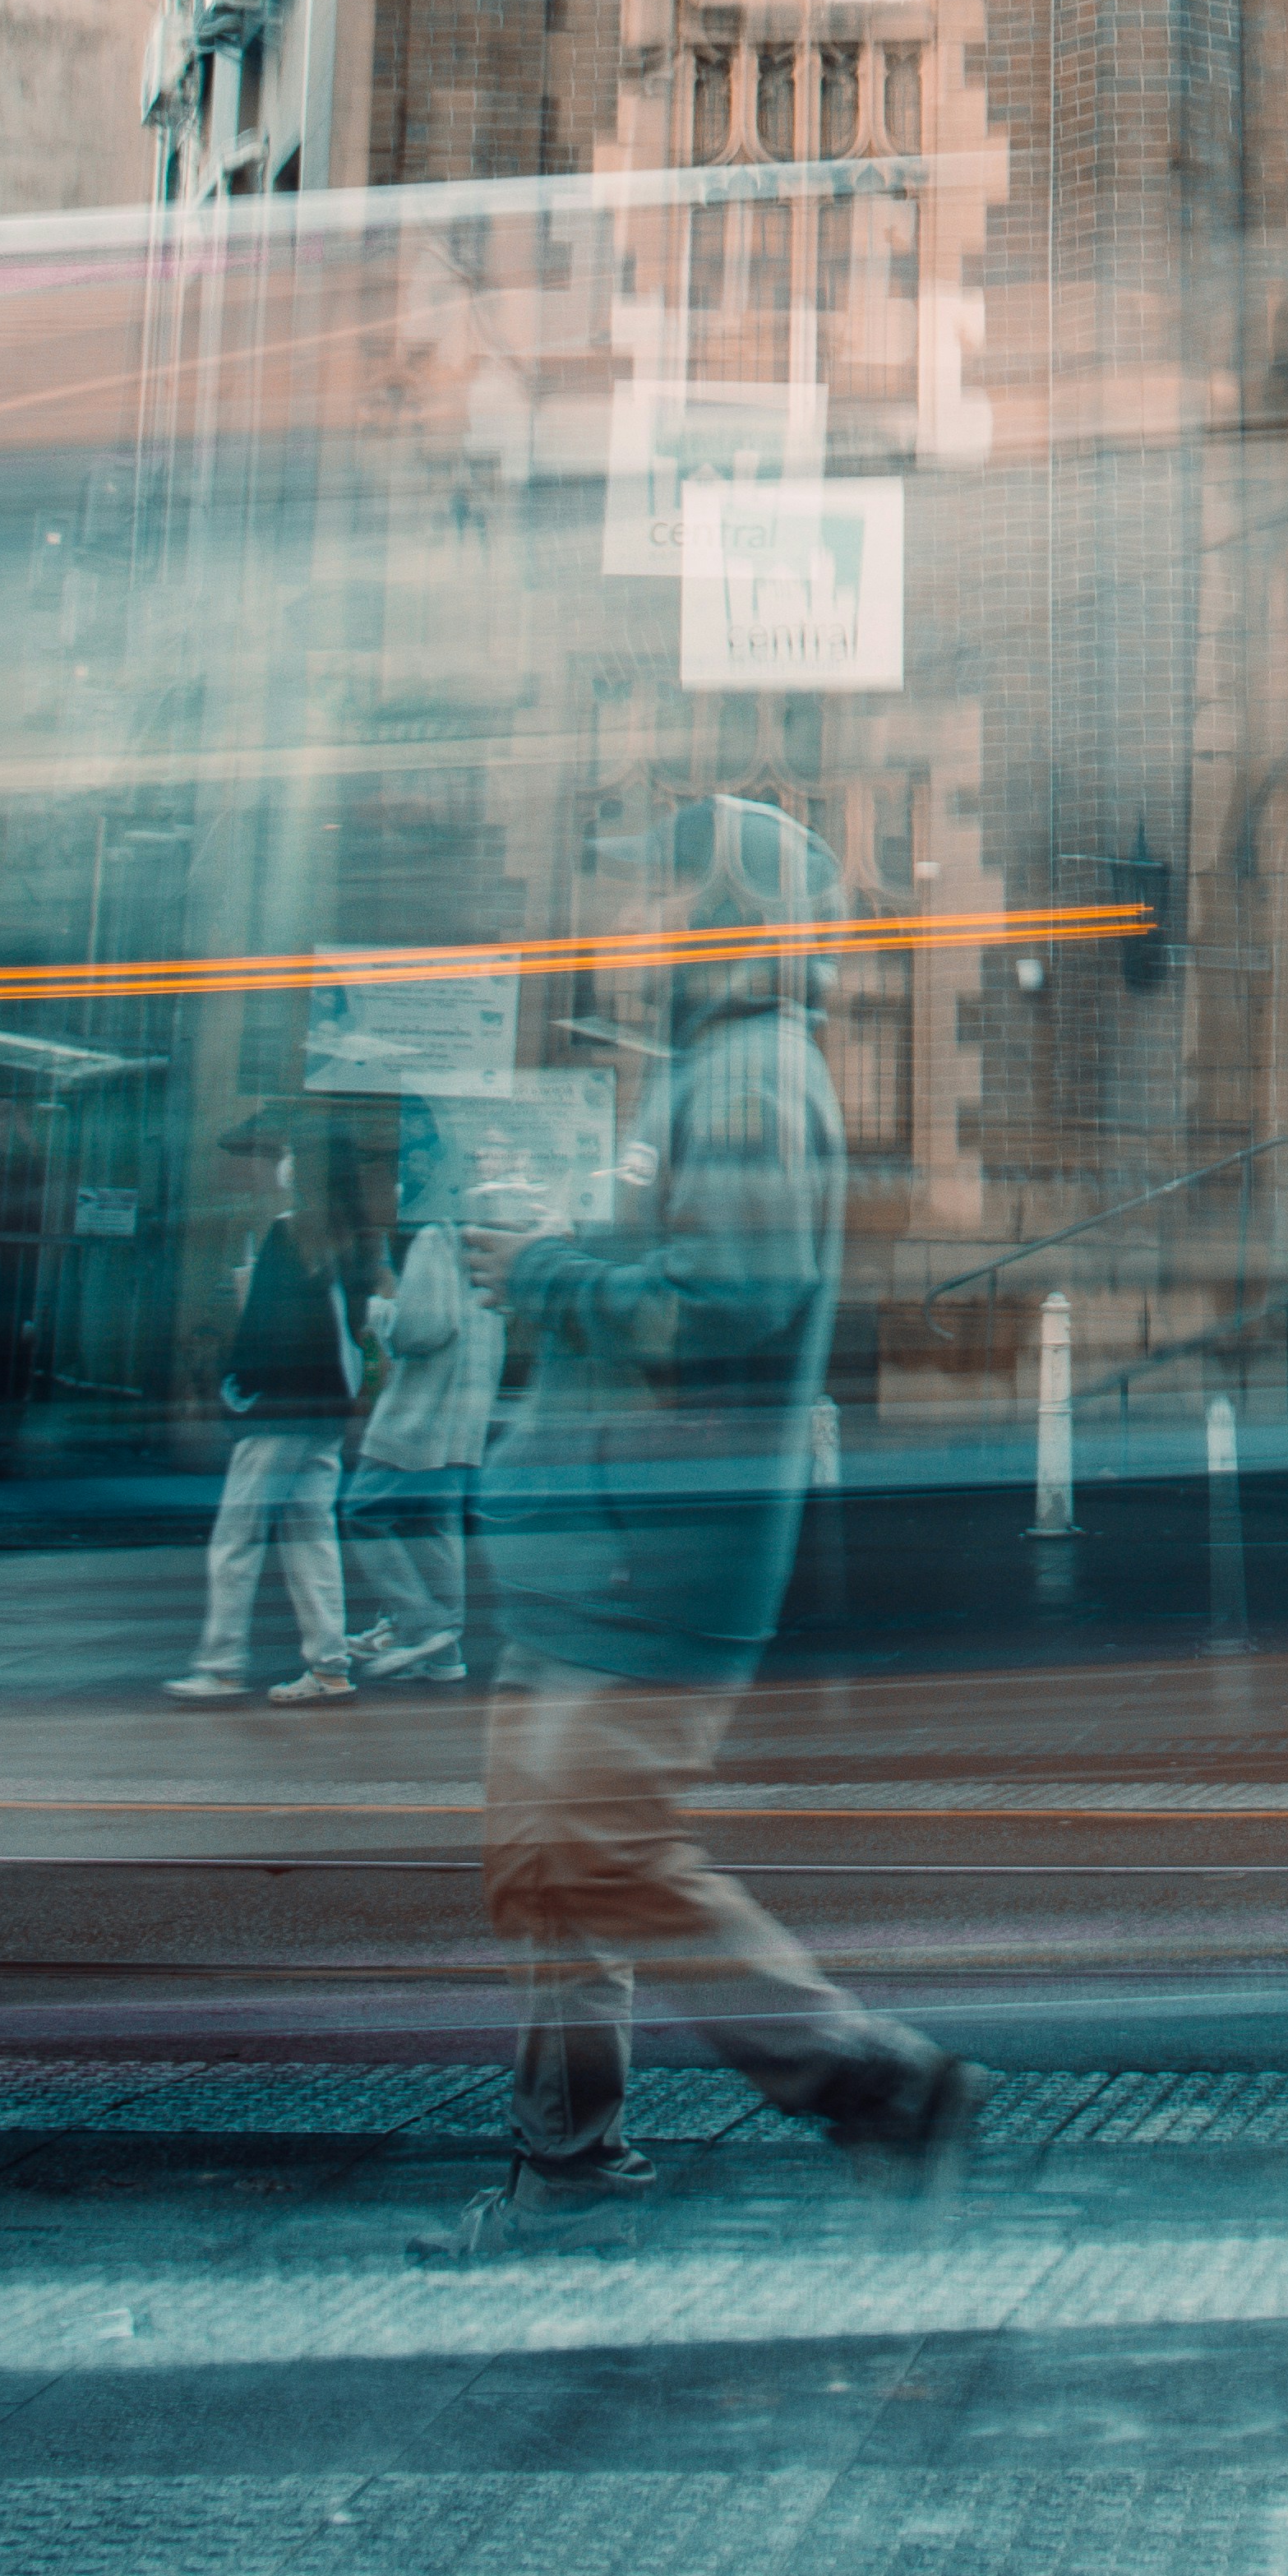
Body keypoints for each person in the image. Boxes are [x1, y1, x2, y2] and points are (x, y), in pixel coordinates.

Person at [415, 829, 977, 2256]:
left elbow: (727, 1300)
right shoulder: (704, 1072)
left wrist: (538, 1272)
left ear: (730, 920)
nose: (630, 914)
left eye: (660, 891)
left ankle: (877, 2084)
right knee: (541, 1867)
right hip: (589, 1545)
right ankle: (568, 2170)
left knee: (603, 1852)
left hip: (646, 1556)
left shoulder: (750, 1081)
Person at [168, 1119, 356, 1704]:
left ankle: (221, 1664)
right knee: (311, 1538)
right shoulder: (341, 1235)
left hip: (278, 1411)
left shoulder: (284, 1232)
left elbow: (266, 1327)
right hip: (325, 1411)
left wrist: (237, 1390)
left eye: (284, 1156)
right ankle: (329, 1665)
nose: (277, 1166)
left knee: (237, 1538)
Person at [344, 1107, 501, 1685]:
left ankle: (419, 1623)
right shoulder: (482, 1238)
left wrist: (381, 1316)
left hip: (420, 1417)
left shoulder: (434, 1239)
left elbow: (423, 1330)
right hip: (463, 1420)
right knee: (435, 1526)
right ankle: (445, 1653)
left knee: (362, 1512)